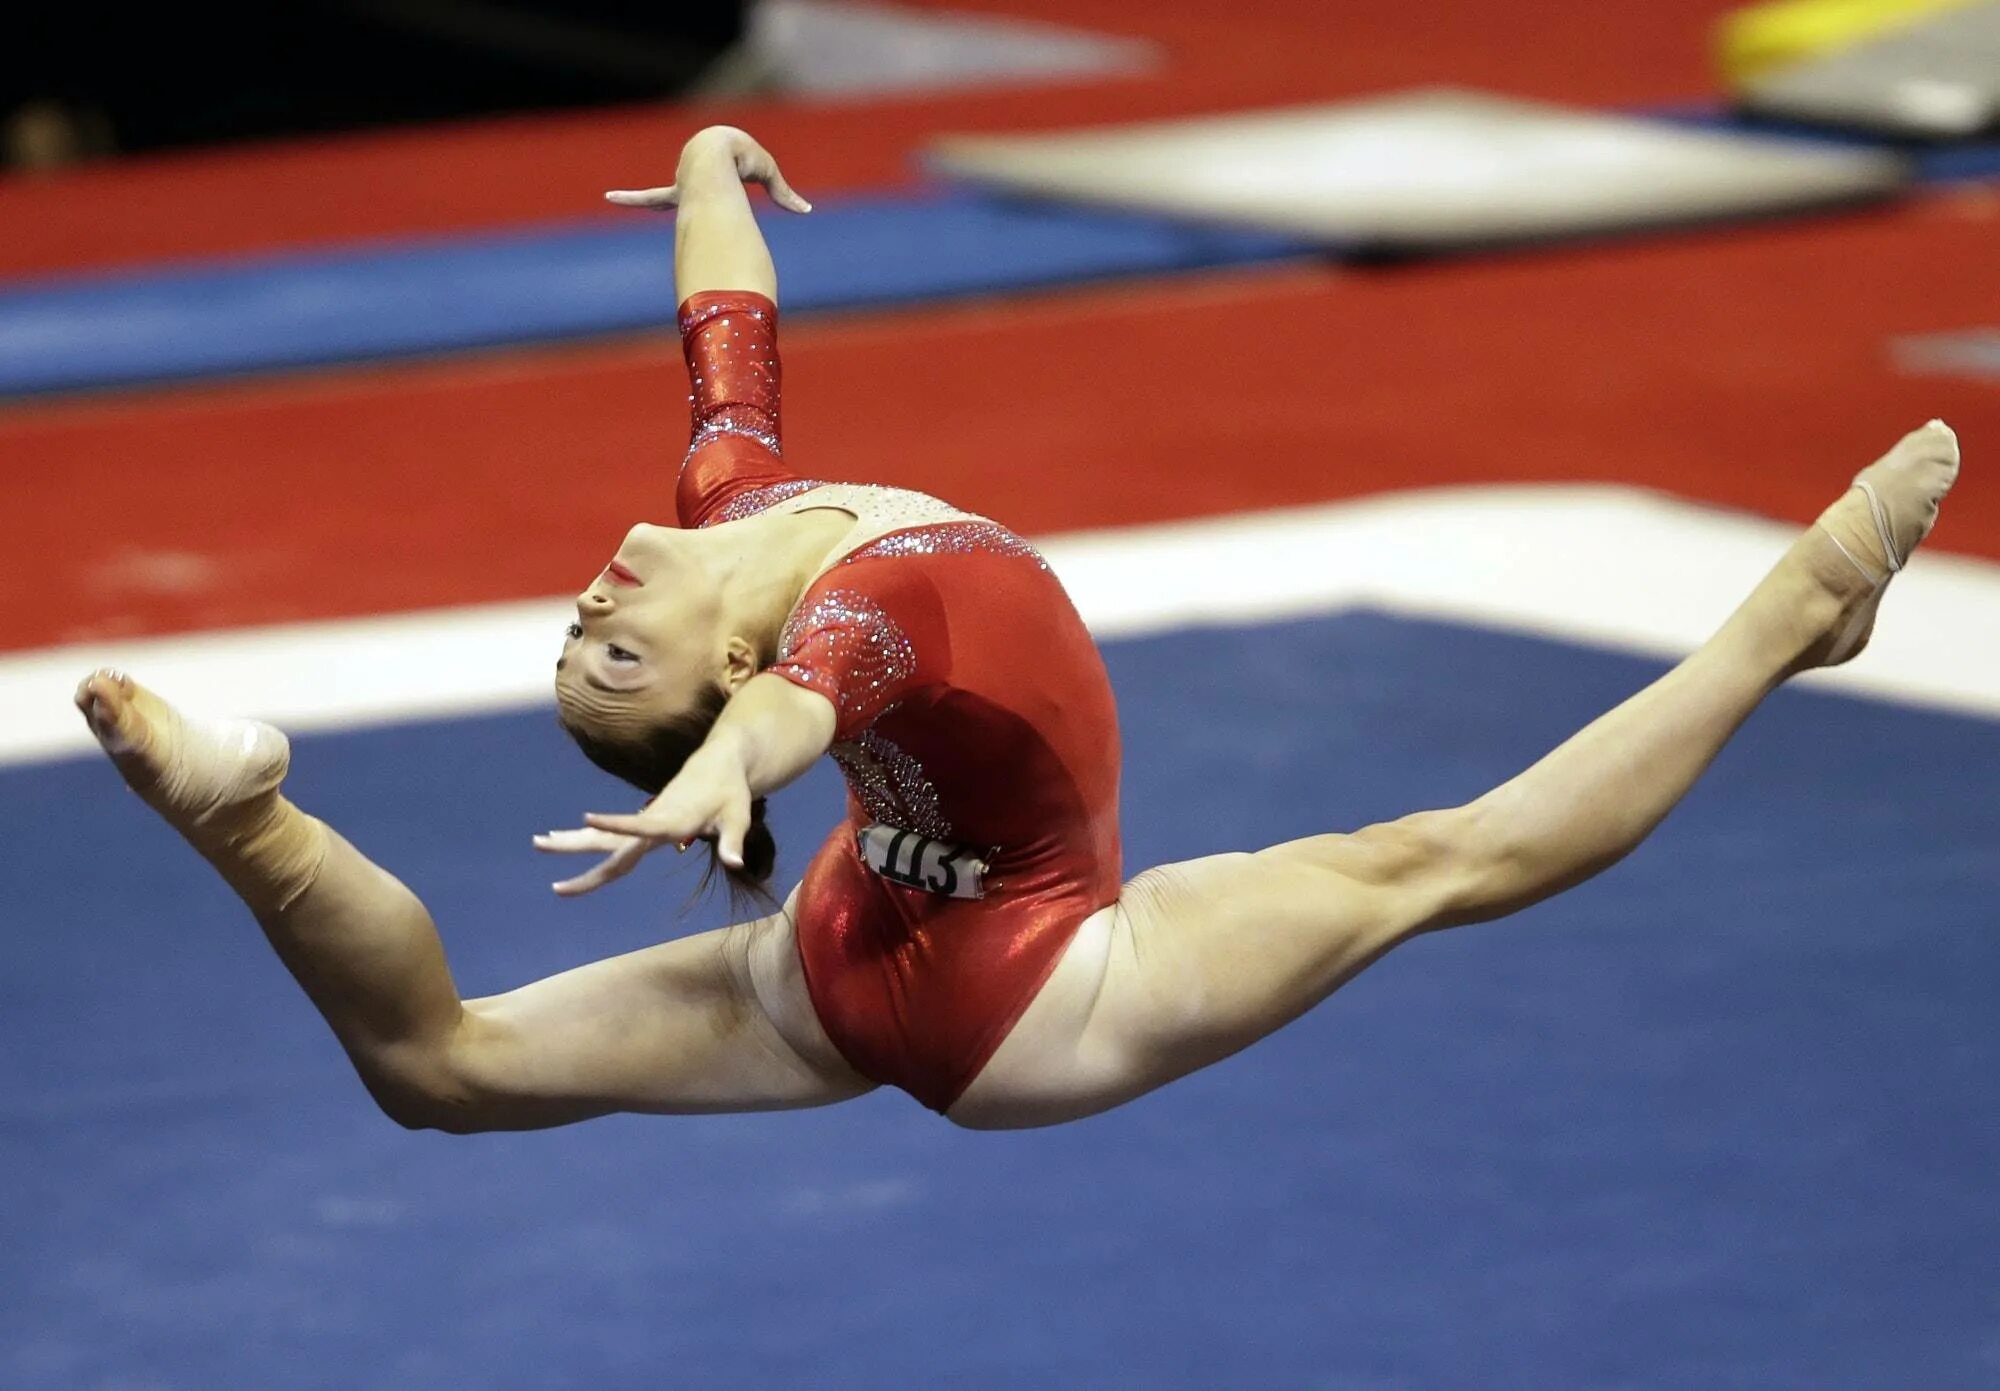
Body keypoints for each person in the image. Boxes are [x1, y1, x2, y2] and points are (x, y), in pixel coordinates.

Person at [75, 126, 1962, 1134]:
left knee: (441, 1076)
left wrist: (719, 170)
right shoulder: (852, 624)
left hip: (847, 941)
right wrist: (707, 784)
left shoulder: (741, 512)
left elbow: (727, 341)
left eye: (581, 641)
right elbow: (799, 721)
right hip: (1033, 988)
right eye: (611, 663)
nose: (589, 611)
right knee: (1431, 862)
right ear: (720, 678)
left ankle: (246, 817)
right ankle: (1797, 614)